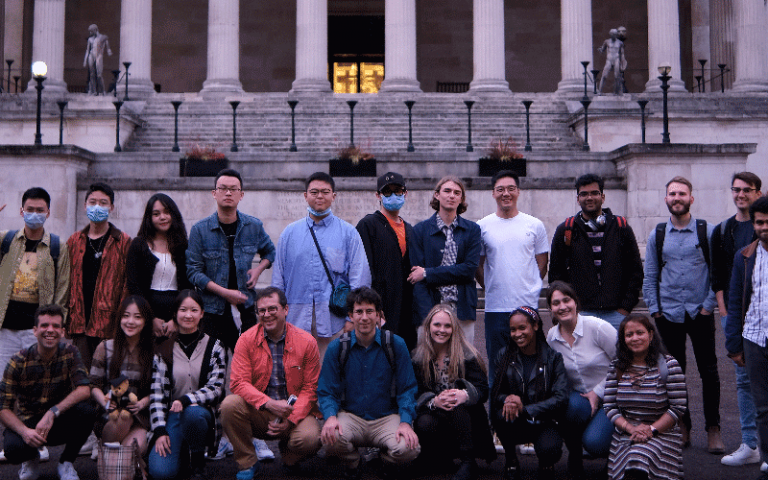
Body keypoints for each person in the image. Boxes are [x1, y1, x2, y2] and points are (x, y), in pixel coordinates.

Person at [642, 176, 723, 452]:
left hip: (700, 312)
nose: (677, 198)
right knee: (675, 375)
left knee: (708, 372)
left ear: (691, 198)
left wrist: (707, 306)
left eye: (682, 193)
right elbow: (650, 273)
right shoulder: (659, 234)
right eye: (672, 194)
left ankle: (713, 429)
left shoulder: (707, 232)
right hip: (669, 314)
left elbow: (717, 273)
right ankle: (683, 425)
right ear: (666, 199)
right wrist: (655, 309)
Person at [220, 286, 321, 480]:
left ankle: (290, 455)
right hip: (261, 410)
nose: (267, 314)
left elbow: (310, 388)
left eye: (272, 309)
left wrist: (290, 419)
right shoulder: (246, 340)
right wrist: (268, 403)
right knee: (229, 405)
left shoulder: (307, 342)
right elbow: (238, 383)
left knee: (311, 438)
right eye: (262, 310)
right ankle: (248, 462)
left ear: (286, 309)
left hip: (294, 411)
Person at [317, 287, 420, 478]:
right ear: (350, 316)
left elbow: (407, 388)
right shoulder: (337, 347)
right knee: (329, 439)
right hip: (351, 416)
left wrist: (406, 422)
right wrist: (330, 416)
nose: (364, 317)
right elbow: (326, 390)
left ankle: (384, 459)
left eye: (369, 311)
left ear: (379, 315)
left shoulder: (395, 344)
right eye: (359, 312)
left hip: (386, 417)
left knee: (409, 449)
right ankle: (353, 462)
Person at [272, 172, 371, 362]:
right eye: (314, 192)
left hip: (335, 320)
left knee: (332, 372)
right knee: (297, 373)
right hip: (296, 318)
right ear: (305, 195)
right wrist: (278, 316)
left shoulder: (348, 233)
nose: (319, 196)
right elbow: (279, 279)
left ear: (333, 196)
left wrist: (353, 318)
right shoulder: (289, 234)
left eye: (325, 192)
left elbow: (360, 277)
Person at [0, 304, 96, 480]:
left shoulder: (71, 353)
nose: (50, 330)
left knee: (88, 411)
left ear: (62, 332)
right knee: (13, 448)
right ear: (35, 330)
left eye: (55, 326)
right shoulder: (18, 361)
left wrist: (53, 412)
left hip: (58, 420)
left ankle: (66, 463)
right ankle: (30, 458)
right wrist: (24, 432)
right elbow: (3, 407)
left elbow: (84, 389)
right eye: (44, 325)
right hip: (30, 423)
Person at [187, 169, 276, 352]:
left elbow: (270, 252)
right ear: (214, 193)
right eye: (223, 188)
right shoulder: (200, 230)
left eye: (233, 189)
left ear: (241, 195)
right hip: (212, 310)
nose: (228, 193)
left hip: (247, 306)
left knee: (249, 361)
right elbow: (193, 272)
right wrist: (224, 293)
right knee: (212, 362)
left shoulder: (253, 226)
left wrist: (259, 269)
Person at [710, 172, 763, 467]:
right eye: (736, 189)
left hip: (762, 314)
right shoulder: (723, 230)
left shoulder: (763, 227)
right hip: (735, 316)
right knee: (743, 381)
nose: (740, 194)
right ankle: (750, 443)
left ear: (758, 192)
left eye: (747, 190)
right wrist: (726, 312)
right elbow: (718, 275)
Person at [476, 170, 548, 382]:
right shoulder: (482, 226)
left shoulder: (534, 225)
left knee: (531, 367)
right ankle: (497, 414)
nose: (505, 193)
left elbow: (542, 261)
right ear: (493, 193)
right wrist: (490, 286)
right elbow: (477, 266)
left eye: (510, 189)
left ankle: (529, 413)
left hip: (526, 306)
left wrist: (532, 287)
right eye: (500, 189)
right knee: (497, 368)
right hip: (496, 308)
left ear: (518, 191)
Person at [148, 290, 227, 480]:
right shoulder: (164, 348)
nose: (188, 315)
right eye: (183, 310)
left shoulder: (215, 346)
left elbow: (216, 388)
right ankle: (183, 454)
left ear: (202, 314)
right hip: (173, 416)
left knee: (193, 413)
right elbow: (157, 394)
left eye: (194, 310)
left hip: (202, 414)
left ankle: (198, 459)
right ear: (175, 314)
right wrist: (159, 430)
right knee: (161, 473)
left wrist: (187, 400)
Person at [548, 173, 643, 330]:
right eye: (584, 194)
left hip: (616, 314)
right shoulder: (566, 229)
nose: (589, 198)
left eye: (594, 193)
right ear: (578, 199)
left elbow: (635, 270)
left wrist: (625, 308)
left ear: (603, 197)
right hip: (580, 314)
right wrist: (570, 309)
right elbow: (556, 274)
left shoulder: (621, 227)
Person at [411, 304, 495, 480]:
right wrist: (434, 401)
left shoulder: (468, 354)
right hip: (435, 412)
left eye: (447, 326)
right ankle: (440, 457)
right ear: (428, 327)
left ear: (454, 328)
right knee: (424, 421)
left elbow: (482, 390)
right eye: (437, 325)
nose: (442, 330)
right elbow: (415, 390)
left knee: (456, 405)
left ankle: (468, 461)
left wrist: (464, 394)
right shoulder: (418, 357)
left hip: (466, 415)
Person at [545, 281, 617, 479]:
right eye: (556, 303)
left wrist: (598, 392)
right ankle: (574, 455)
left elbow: (623, 362)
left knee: (594, 443)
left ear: (575, 302)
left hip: (612, 394)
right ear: (550, 309)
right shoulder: (552, 337)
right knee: (567, 407)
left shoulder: (598, 328)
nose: (562, 307)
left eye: (566, 300)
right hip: (580, 397)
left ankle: (616, 459)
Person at [604, 314, 687, 480]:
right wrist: (631, 429)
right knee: (633, 462)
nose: (635, 338)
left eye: (639, 333)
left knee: (638, 461)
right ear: (623, 339)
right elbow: (609, 406)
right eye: (629, 335)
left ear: (650, 335)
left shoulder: (669, 365)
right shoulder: (617, 366)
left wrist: (651, 430)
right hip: (627, 434)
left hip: (662, 433)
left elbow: (678, 407)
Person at [490, 306, 568, 480]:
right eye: (513, 329)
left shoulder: (553, 358)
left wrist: (526, 408)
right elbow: (496, 393)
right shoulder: (504, 355)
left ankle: (546, 462)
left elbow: (561, 398)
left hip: (545, 421)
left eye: (522, 328)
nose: (517, 333)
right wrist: (509, 399)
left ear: (535, 326)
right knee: (500, 415)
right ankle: (511, 460)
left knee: (550, 450)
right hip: (515, 418)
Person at [0, 187, 70, 372]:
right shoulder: (6, 239)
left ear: (48, 213)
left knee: (35, 381)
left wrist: (56, 326)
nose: (34, 214)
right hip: (5, 329)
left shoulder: (57, 246)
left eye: (40, 210)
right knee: (3, 382)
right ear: (21, 211)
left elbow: (62, 290)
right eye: (30, 209)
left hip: (37, 330)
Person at [724, 196, 768, 480]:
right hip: (755, 339)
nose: (765, 227)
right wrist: (734, 344)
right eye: (760, 222)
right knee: (762, 407)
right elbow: (735, 300)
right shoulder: (745, 256)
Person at [67, 182, 131, 370]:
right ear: (85, 205)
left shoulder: (123, 241)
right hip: (79, 322)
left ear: (111, 207)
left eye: (103, 203)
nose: (97, 207)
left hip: (109, 323)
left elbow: (127, 284)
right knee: (80, 376)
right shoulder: (74, 240)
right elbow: (66, 282)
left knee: (108, 377)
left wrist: (123, 319)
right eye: (92, 202)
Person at [410, 176, 481, 343]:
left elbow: (469, 270)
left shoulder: (472, 230)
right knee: (427, 365)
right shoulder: (420, 230)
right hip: (429, 310)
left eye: (457, 193)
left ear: (461, 199)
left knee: (463, 363)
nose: (452, 195)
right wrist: (429, 315)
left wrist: (428, 273)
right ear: (436, 195)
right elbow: (416, 278)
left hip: (462, 309)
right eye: (447, 191)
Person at [356, 172, 416, 350]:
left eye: (397, 191)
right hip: (382, 306)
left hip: (407, 308)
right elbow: (363, 269)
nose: (393, 196)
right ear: (378, 195)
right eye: (387, 192)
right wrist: (371, 305)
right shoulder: (368, 225)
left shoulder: (410, 230)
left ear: (405, 193)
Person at [89, 295, 154, 458]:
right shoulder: (105, 347)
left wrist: (142, 403)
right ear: (119, 319)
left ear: (146, 321)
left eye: (137, 317)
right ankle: (104, 447)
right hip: (110, 416)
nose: (130, 321)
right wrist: (104, 401)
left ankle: (112, 460)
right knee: (123, 419)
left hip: (139, 417)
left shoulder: (152, 352)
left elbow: (160, 390)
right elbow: (93, 385)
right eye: (126, 316)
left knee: (133, 451)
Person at [127, 193, 192, 339]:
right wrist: (150, 318)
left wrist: (176, 320)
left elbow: (188, 286)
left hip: (176, 316)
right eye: (156, 214)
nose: (162, 217)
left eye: (167, 212)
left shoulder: (183, 246)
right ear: (149, 218)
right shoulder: (138, 245)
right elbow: (133, 286)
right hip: (145, 314)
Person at [83, 24, 112, 95]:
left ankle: (102, 90)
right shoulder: (90, 39)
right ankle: (93, 91)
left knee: (99, 74)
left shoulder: (102, 37)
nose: (90, 33)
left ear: (95, 30)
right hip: (91, 55)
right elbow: (87, 50)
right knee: (92, 74)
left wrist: (108, 50)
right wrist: (85, 60)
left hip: (99, 56)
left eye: (91, 31)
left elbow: (107, 45)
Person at [597, 28, 627, 95]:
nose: (614, 35)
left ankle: (616, 92)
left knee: (617, 76)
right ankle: (600, 91)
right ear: (610, 34)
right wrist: (600, 50)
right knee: (604, 75)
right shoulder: (607, 41)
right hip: (609, 60)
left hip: (616, 59)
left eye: (615, 34)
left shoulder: (620, 43)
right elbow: (603, 49)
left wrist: (623, 61)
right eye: (613, 34)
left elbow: (622, 53)